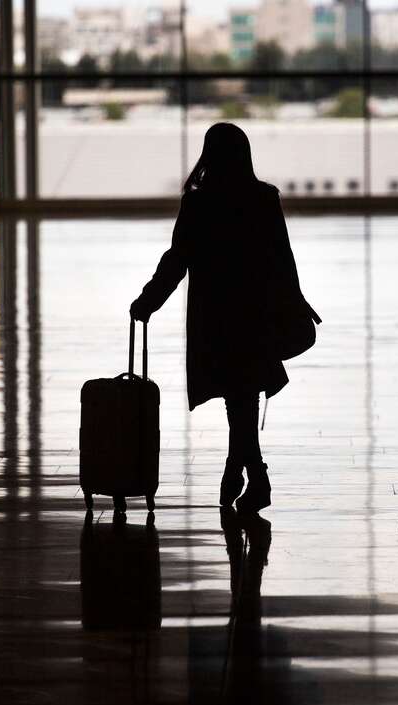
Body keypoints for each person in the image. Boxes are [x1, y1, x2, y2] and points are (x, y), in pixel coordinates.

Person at [130, 123, 320, 514]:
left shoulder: (199, 203)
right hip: (256, 313)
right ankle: (241, 470)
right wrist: (295, 302)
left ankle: (251, 473)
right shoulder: (264, 198)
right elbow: (282, 259)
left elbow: (177, 259)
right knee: (243, 396)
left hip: (217, 316)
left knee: (238, 398)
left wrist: (148, 301)